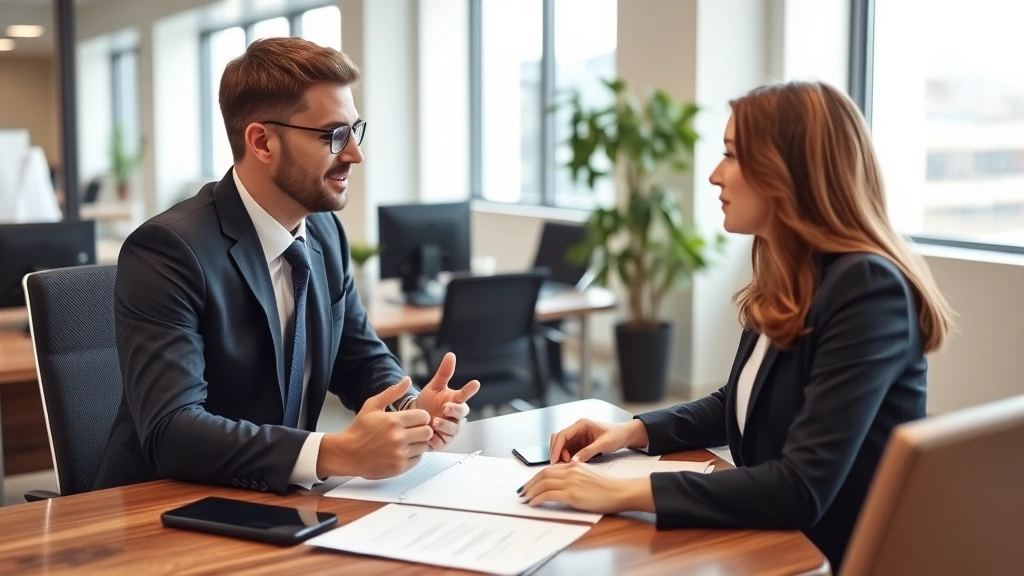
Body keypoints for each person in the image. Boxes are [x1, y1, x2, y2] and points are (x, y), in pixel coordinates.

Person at [518, 80, 953, 571]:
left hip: (824, 556)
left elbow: (799, 487)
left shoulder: (867, 288)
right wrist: (630, 432)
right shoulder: (792, 272)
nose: (714, 175)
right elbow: (738, 400)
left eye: (731, 155)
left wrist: (619, 491)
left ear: (789, 172)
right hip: (769, 539)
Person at [94, 37, 480, 494]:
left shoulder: (324, 235)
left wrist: (411, 409)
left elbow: (357, 357)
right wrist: (334, 453)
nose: (354, 154)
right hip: (164, 507)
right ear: (261, 142)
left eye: (355, 131)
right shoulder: (168, 250)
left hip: (280, 502)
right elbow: (173, 431)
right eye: (334, 135)